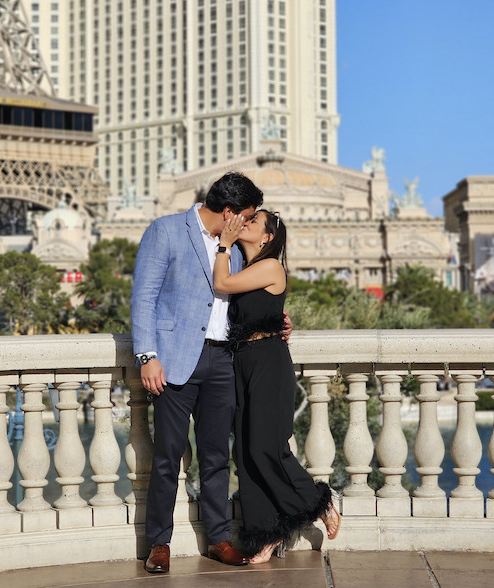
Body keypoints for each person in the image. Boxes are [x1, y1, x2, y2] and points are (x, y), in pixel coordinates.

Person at [130, 172, 264, 574]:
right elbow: (144, 297)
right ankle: (159, 543)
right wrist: (146, 356)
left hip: (223, 360)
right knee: (168, 456)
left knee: (216, 456)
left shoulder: (235, 248)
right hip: (173, 360)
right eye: (246, 216)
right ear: (228, 212)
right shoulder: (167, 230)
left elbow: (241, 296)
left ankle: (219, 539)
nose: (248, 223)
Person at [213, 210, 341, 563]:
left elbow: (221, 285)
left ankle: (318, 503)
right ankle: (266, 535)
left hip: (268, 360)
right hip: (242, 362)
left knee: (267, 447)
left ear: (267, 237)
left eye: (254, 222)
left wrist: (223, 245)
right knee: (245, 453)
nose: (246, 223)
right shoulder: (243, 264)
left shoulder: (269, 266)